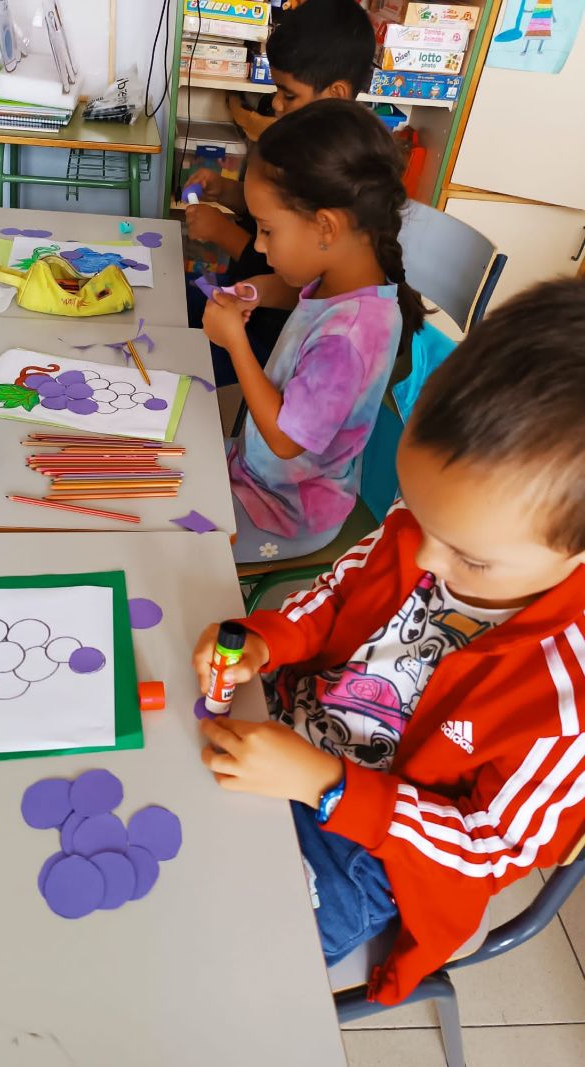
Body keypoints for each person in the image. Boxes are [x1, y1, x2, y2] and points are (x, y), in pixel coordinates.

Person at [192, 276, 585, 1005]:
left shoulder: (569, 699)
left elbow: (484, 848)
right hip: (287, 730)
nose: (425, 557)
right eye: (418, 517)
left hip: (379, 852)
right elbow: (333, 595)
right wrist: (265, 639)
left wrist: (327, 785)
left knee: (228, 970)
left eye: (469, 558)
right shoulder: (434, 525)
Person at [204, 100, 423, 563]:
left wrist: (236, 342)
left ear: (325, 226)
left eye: (267, 231)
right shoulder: (347, 281)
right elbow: (299, 296)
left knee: (166, 541)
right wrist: (254, 292)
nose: (259, 245)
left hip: (285, 513)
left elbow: (286, 442)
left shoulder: (348, 339)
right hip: (256, 476)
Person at [184, 0, 376, 385]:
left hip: (274, 336)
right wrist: (227, 192)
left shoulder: (340, 173)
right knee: (170, 304)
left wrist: (223, 232)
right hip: (252, 302)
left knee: (174, 361)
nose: (275, 103)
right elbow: (272, 220)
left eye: (288, 94)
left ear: (336, 93)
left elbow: (294, 277)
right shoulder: (301, 145)